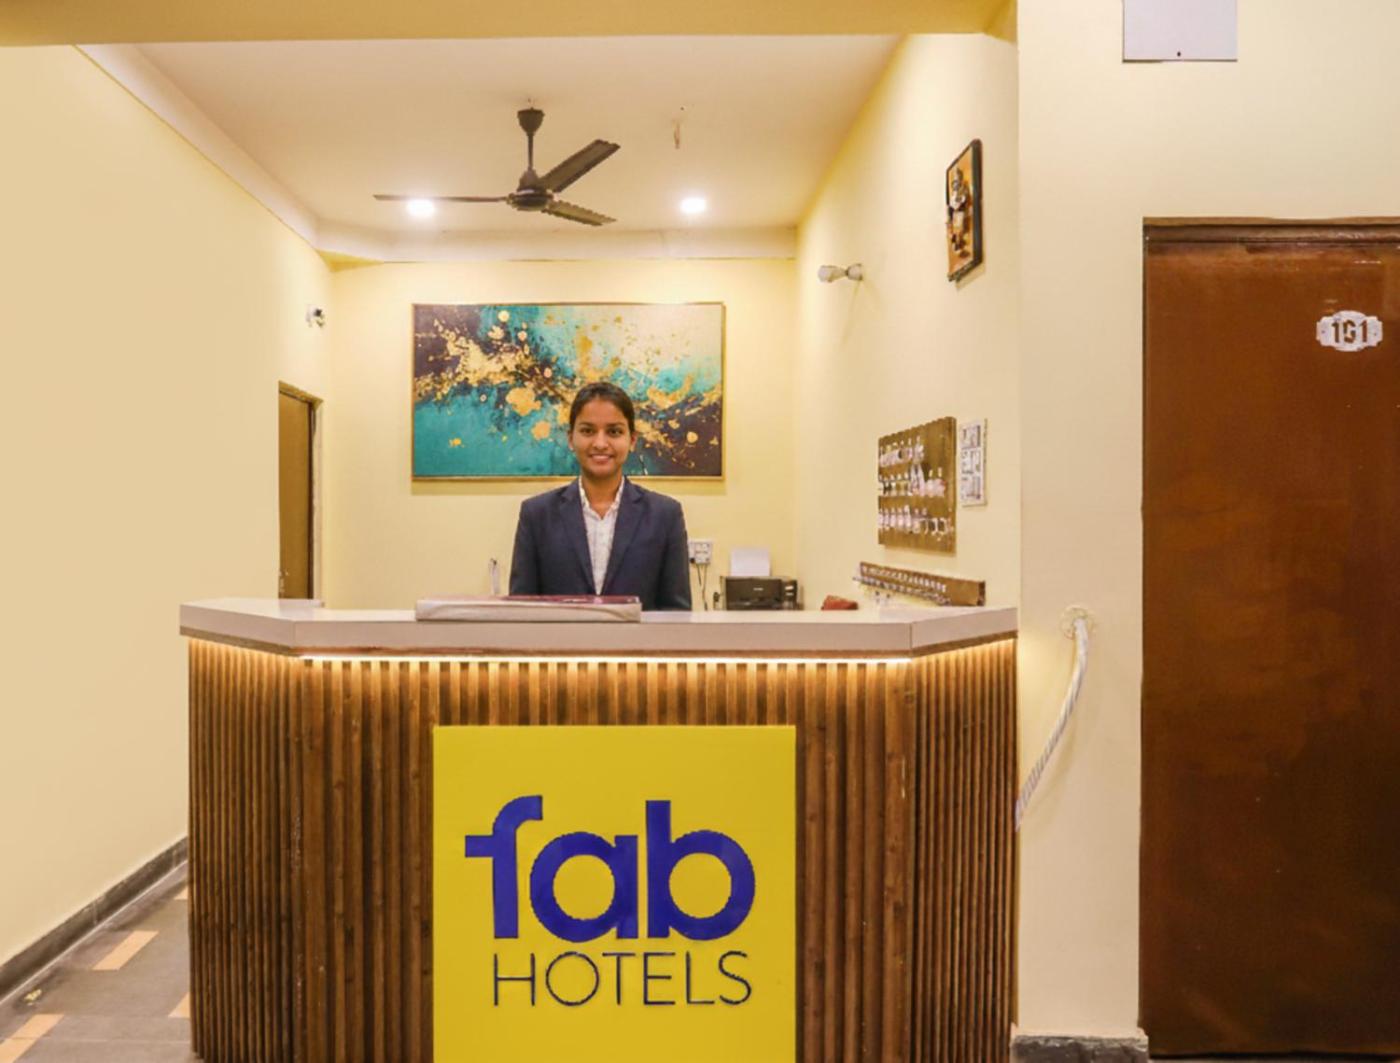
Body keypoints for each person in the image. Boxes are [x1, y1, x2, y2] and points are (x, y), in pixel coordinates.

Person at [509, 382, 692, 610]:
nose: (600, 443)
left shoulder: (665, 515)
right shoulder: (537, 515)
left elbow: (677, 614)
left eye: (614, 432)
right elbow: (521, 612)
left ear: (632, 440)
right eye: (588, 431)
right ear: (570, 439)